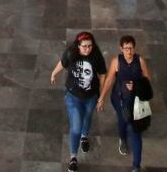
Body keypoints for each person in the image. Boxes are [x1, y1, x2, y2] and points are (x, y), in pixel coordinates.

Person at [51, 32, 107, 171]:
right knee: (76, 126)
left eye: (90, 46)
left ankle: (84, 137)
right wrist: (54, 73)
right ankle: (73, 157)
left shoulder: (96, 55)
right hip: (73, 97)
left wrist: (101, 95)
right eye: (84, 46)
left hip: (91, 96)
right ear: (78, 45)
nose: (87, 49)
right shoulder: (71, 52)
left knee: (87, 118)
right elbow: (63, 63)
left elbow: (103, 73)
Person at [98, 35, 152, 172]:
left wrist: (136, 86)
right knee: (122, 120)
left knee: (136, 131)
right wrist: (102, 97)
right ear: (121, 48)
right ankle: (122, 138)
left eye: (131, 48)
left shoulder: (140, 61)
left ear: (134, 48)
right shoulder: (116, 61)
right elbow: (109, 80)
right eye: (126, 48)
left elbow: (148, 81)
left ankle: (136, 166)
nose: (128, 51)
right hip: (119, 99)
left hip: (136, 100)